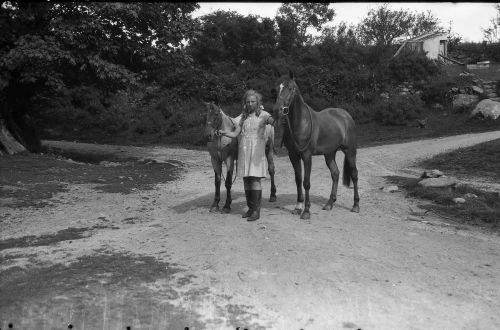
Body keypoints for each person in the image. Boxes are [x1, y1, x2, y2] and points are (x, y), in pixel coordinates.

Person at [215, 90, 275, 221]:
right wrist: (223, 132)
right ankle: (250, 208)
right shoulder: (243, 118)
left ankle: (256, 211)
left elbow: (272, 121)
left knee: (255, 180)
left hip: (256, 153)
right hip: (244, 152)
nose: (250, 104)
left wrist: (276, 119)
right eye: (248, 102)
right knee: (246, 180)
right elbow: (235, 134)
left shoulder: (264, 115)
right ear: (245, 103)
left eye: (253, 101)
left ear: (257, 102)